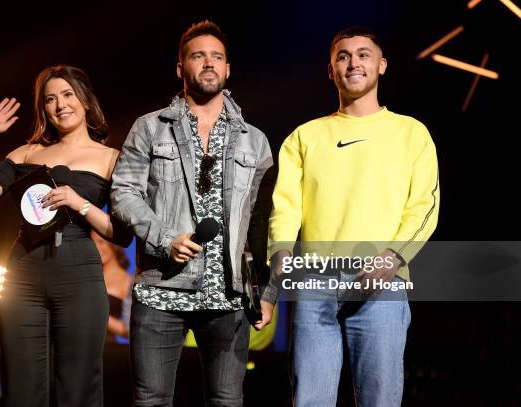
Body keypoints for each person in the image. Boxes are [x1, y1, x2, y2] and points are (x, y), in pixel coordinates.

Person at [262, 26, 440, 406]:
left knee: (379, 400)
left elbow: (424, 207)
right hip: (314, 282)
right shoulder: (304, 137)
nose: (353, 62)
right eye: (343, 56)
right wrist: (279, 254)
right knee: (310, 400)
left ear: (382, 65)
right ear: (331, 70)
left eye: (363, 54)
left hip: (382, 283)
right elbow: (286, 205)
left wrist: (393, 257)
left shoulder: (412, 133)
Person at [111, 20, 273, 407]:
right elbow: (122, 193)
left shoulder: (256, 139)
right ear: (180, 67)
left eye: (217, 57)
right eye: (198, 56)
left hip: (228, 298)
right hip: (160, 291)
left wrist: (265, 292)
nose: (208, 63)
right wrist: (167, 238)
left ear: (228, 69)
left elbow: (261, 222)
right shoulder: (149, 128)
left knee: (227, 401)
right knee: (151, 400)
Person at [0, 65, 120, 407]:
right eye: (50, 99)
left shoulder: (111, 159)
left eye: (67, 94)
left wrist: (79, 203)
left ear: (86, 101)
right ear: (43, 109)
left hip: (79, 278)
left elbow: (120, 233)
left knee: (78, 389)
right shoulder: (28, 152)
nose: (60, 104)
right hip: (23, 276)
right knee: (21, 388)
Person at [91, 230, 132, 339]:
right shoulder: (86, 276)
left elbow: (130, 330)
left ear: (113, 244)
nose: (96, 248)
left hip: (106, 348)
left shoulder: (127, 282)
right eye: (92, 243)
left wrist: (97, 316)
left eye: (100, 242)